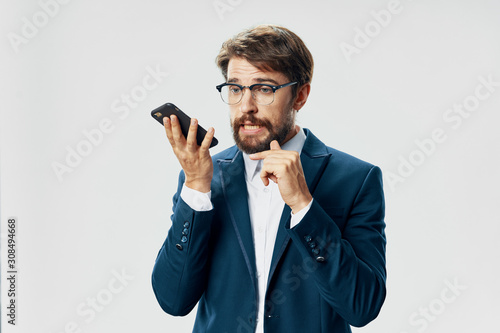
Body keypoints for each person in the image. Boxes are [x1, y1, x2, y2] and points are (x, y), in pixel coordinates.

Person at [152, 24, 386, 333]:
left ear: (300, 96)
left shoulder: (356, 179)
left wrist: (304, 206)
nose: (246, 107)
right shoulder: (203, 177)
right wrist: (196, 188)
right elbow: (173, 300)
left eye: (264, 89)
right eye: (235, 88)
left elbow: (362, 307)